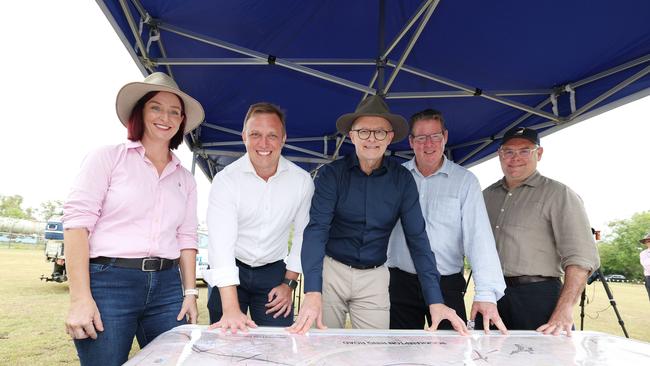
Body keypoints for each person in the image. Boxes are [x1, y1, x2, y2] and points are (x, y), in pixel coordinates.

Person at [289, 96, 468, 335]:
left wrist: (435, 300)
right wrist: (312, 291)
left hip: (375, 277)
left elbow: (418, 240)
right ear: (351, 136)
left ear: (390, 137)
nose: (372, 139)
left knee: (376, 353)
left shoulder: (402, 180)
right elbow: (316, 231)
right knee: (320, 347)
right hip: (331, 272)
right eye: (363, 132)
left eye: (380, 132)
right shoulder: (331, 175)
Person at [63, 72, 204, 365]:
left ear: (181, 122)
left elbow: (187, 238)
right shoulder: (106, 158)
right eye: (156, 107)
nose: (165, 116)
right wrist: (79, 299)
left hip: (167, 286)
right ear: (139, 112)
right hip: (110, 283)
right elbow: (77, 226)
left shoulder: (186, 179)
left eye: (174, 111)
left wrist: (190, 292)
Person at [387, 109, 507, 334]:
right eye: (421, 137)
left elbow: (478, 237)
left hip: (446, 285)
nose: (428, 143)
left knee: (450, 352)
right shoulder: (395, 177)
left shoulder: (465, 181)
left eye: (435, 136)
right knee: (398, 352)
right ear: (411, 142)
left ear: (446, 137)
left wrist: (486, 292)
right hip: (400, 284)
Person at [205, 102, 314, 332]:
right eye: (255, 134)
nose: (263, 144)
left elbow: (305, 236)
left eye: (272, 135)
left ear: (284, 138)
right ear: (244, 136)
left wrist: (289, 284)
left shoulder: (302, 181)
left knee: (277, 344)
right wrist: (231, 308)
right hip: (230, 269)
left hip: (274, 272)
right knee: (225, 343)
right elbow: (220, 246)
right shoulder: (226, 180)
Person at [482, 126, 600, 336]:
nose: (515, 158)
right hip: (492, 296)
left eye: (524, 151)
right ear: (499, 155)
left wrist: (564, 309)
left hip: (539, 297)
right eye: (508, 151)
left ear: (539, 153)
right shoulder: (485, 196)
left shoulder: (559, 194)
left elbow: (581, 257)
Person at [639, 232, 650, 301]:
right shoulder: (643, 253)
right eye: (648, 241)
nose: (649, 242)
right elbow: (647, 265)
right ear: (645, 243)